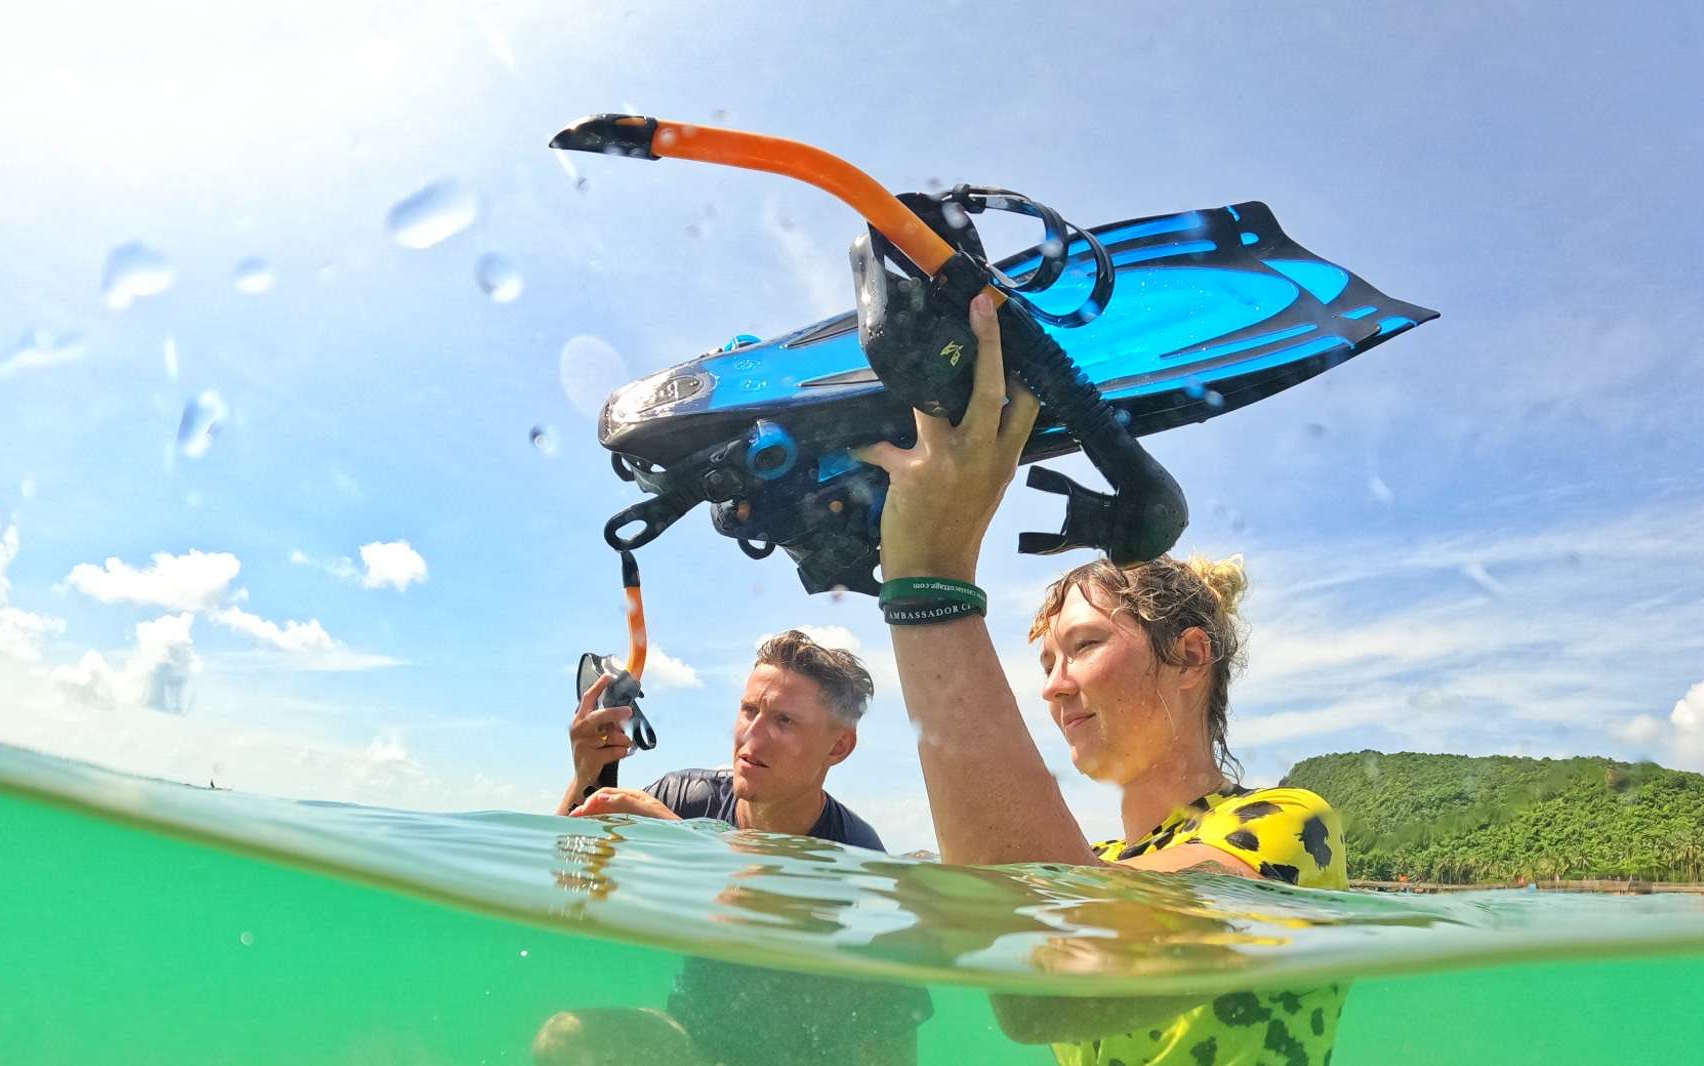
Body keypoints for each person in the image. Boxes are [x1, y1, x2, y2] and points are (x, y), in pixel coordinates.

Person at [852, 294, 1347, 1066]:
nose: (1052, 687)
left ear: (1190, 658)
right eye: (1046, 662)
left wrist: (928, 580)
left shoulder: (1287, 824)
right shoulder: (1100, 863)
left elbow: (1053, 981)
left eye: (1082, 646)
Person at [535, 630, 930, 1066]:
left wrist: (680, 836)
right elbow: (570, 884)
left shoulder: (856, 852)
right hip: (691, 1041)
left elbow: (759, 908)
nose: (751, 739)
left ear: (838, 746)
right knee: (565, 1039)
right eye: (749, 711)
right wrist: (587, 774)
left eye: (785, 721)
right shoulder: (686, 796)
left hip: (810, 1055)